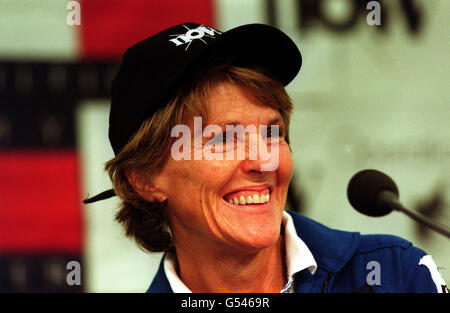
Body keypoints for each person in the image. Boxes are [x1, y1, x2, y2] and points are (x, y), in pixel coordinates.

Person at [83, 23, 447, 293]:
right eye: (224, 138)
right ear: (144, 179)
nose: (264, 160)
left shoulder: (395, 274)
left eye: (272, 133)